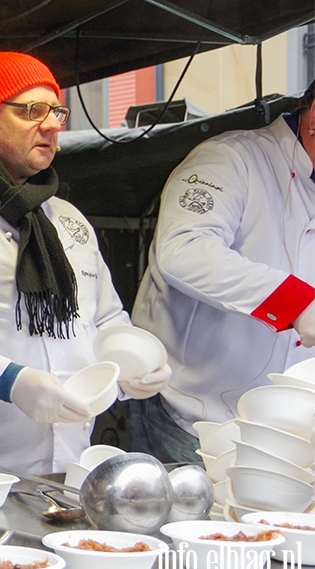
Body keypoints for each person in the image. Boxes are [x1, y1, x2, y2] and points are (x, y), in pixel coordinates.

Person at [0, 52, 171, 482]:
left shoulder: (66, 218)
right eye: (31, 111)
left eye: (56, 111)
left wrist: (130, 360)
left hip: (68, 471)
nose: (53, 124)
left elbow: (104, 317)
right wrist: (8, 382)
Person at [131, 79, 315, 463]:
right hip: (192, 418)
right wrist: (295, 303)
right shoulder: (229, 159)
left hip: (287, 433)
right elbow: (184, 250)